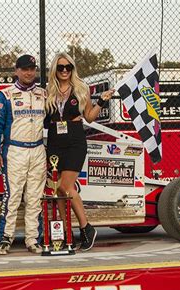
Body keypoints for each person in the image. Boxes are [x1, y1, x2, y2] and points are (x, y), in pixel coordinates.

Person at [45, 52, 114, 251]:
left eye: (68, 67)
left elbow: (90, 117)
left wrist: (101, 101)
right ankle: (66, 235)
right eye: (61, 67)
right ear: (55, 70)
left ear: (72, 69)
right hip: (55, 140)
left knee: (66, 187)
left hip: (75, 139)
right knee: (57, 188)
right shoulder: (48, 90)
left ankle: (86, 228)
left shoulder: (81, 88)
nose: (65, 70)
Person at [0, 55, 47, 255]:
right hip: (15, 150)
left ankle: (33, 239)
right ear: (16, 71)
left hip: (38, 150)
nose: (29, 72)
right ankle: (5, 239)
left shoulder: (43, 94)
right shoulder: (6, 95)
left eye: (32, 69)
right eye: (24, 69)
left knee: (34, 198)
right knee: (12, 197)